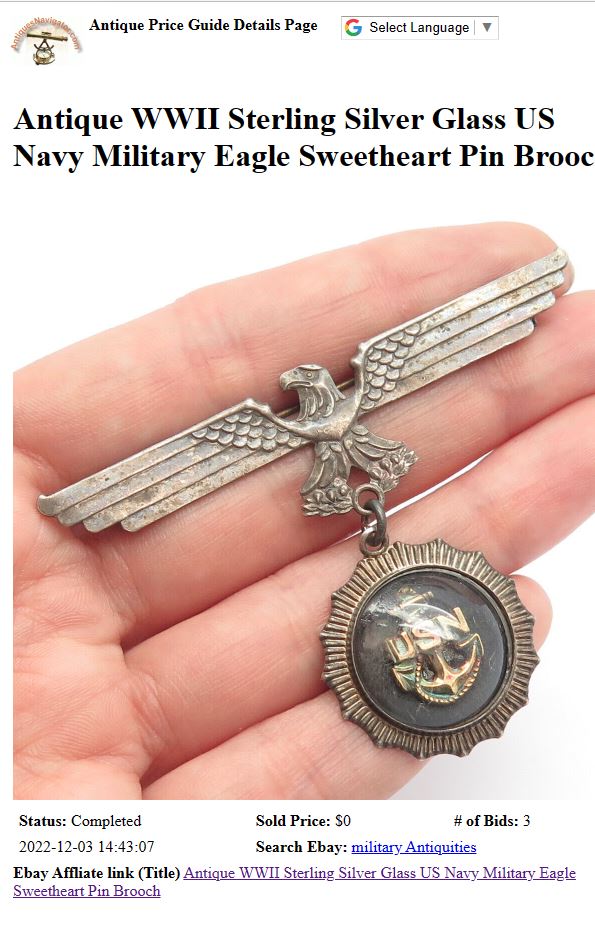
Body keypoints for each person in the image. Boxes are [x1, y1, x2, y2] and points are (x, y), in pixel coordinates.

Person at [13, 223, 595, 799]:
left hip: (366, 458)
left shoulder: (364, 382)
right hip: (336, 474)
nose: (302, 384)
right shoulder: (270, 426)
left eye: (308, 381)